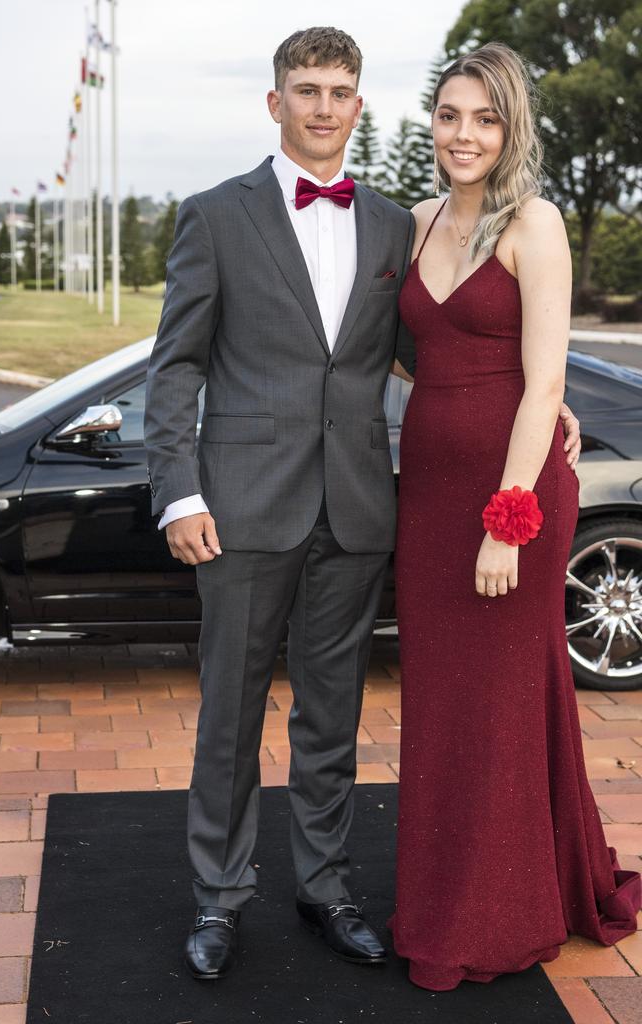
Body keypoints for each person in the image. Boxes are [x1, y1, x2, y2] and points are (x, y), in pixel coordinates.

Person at [144, 28, 579, 981]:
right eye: (307, 90)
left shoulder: (396, 224)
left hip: (359, 510)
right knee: (230, 713)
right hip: (241, 508)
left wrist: (550, 397)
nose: (325, 107)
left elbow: (445, 345)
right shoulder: (214, 216)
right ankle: (219, 899)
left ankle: (326, 888)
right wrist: (177, 491)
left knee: (331, 715)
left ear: (360, 104)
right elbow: (173, 365)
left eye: (342, 90)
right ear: (275, 103)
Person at [389, 41, 641, 992]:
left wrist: (508, 519)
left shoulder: (534, 223)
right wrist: (453, 393)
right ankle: (471, 887)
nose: (464, 134)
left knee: (498, 703)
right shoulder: (414, 222)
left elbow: (544, 385)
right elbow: (415, 350)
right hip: (429, 498)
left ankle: (494, 917)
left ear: (511, 127)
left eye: (485, 118)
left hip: (516, 498)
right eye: (451, 115)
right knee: (446, 707)